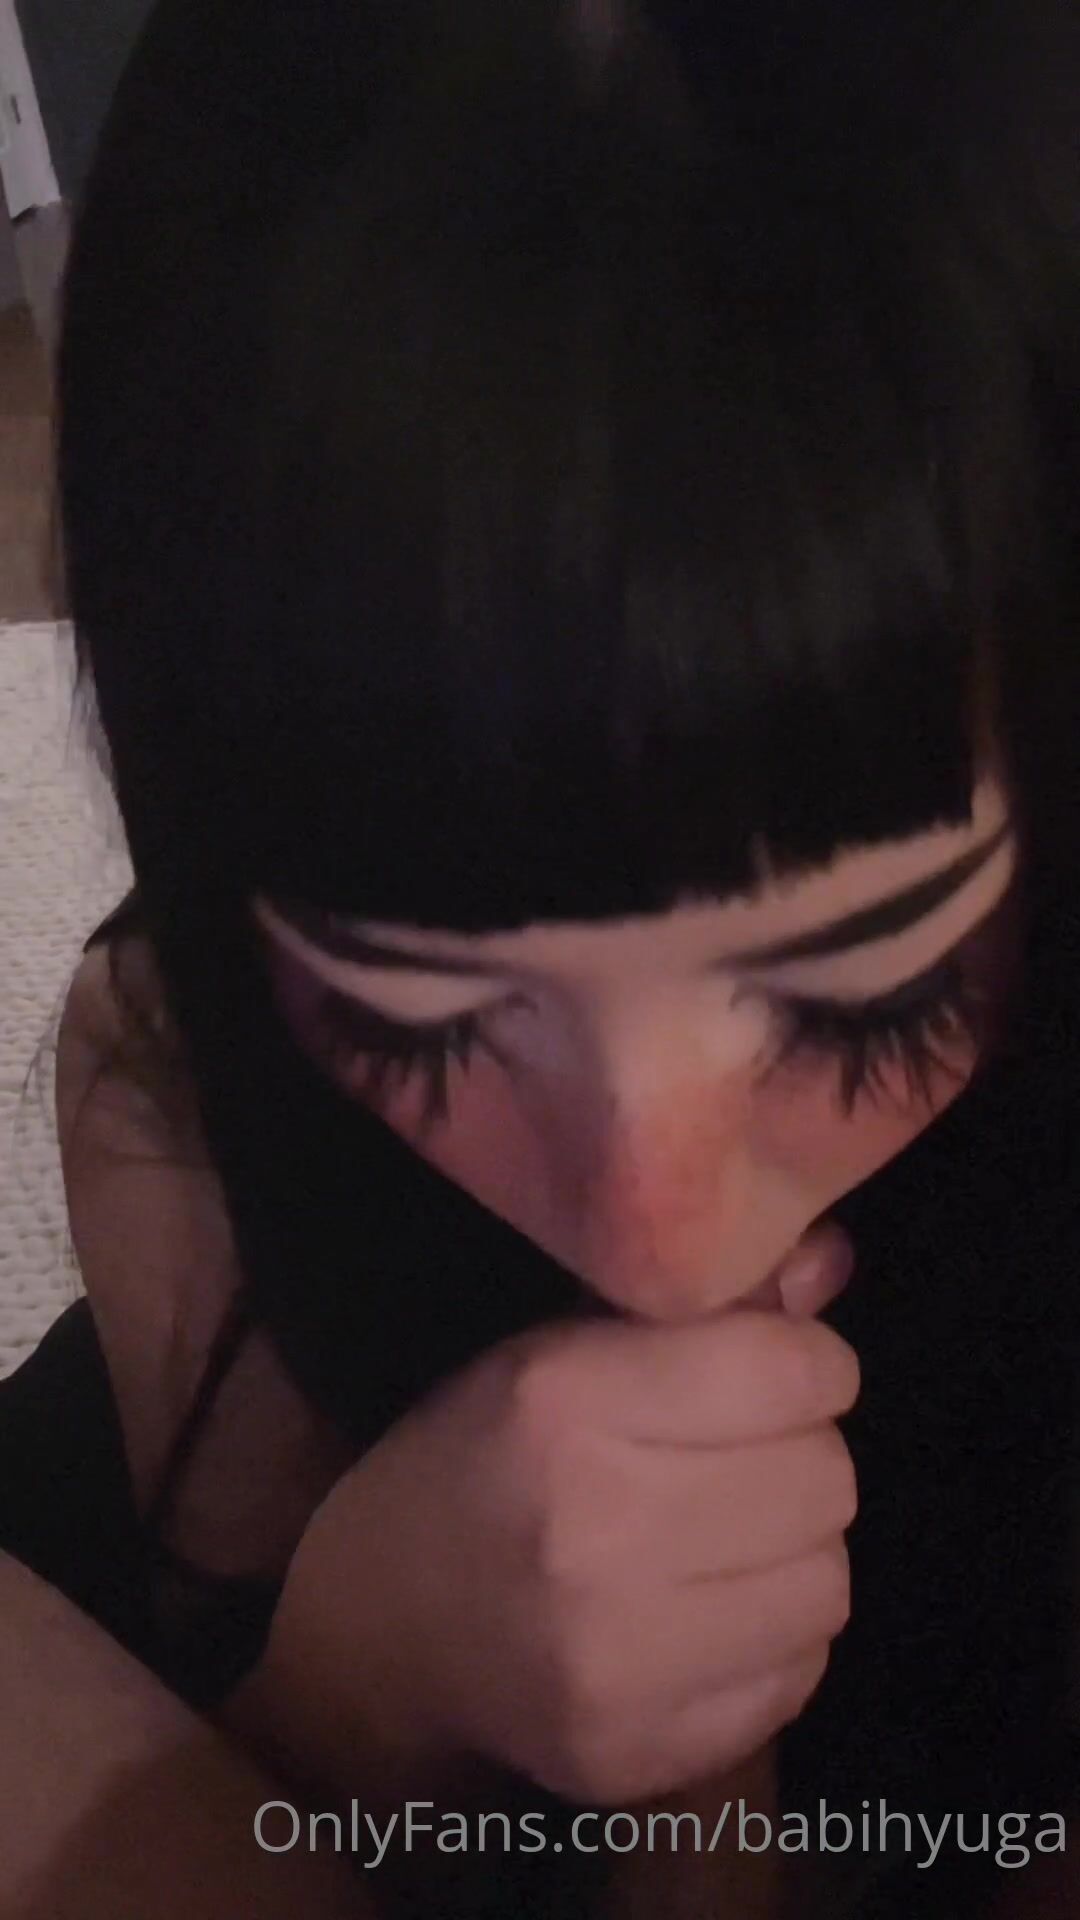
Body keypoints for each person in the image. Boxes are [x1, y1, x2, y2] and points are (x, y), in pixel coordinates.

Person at [2, 0, 1079, 1913]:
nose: (657, 1236)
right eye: (423, 1027)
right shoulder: (184, 1095)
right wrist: (369, 1673)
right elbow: (253, 1807)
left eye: (868, 997)